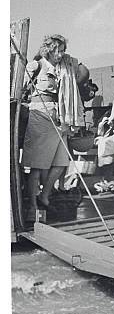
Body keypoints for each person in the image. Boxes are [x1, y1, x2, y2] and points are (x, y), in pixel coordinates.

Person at [22, 34, 87, 219]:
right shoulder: (37, 65)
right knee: (38, 165)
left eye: (62, 51)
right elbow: (19, 90)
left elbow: (84, 72)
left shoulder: (63, 67)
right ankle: (33, 205)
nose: (60, 55)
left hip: (59, 116)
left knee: (61, 162)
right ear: (49, 49)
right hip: (40, 115)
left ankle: (44, 195)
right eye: (58, 51)